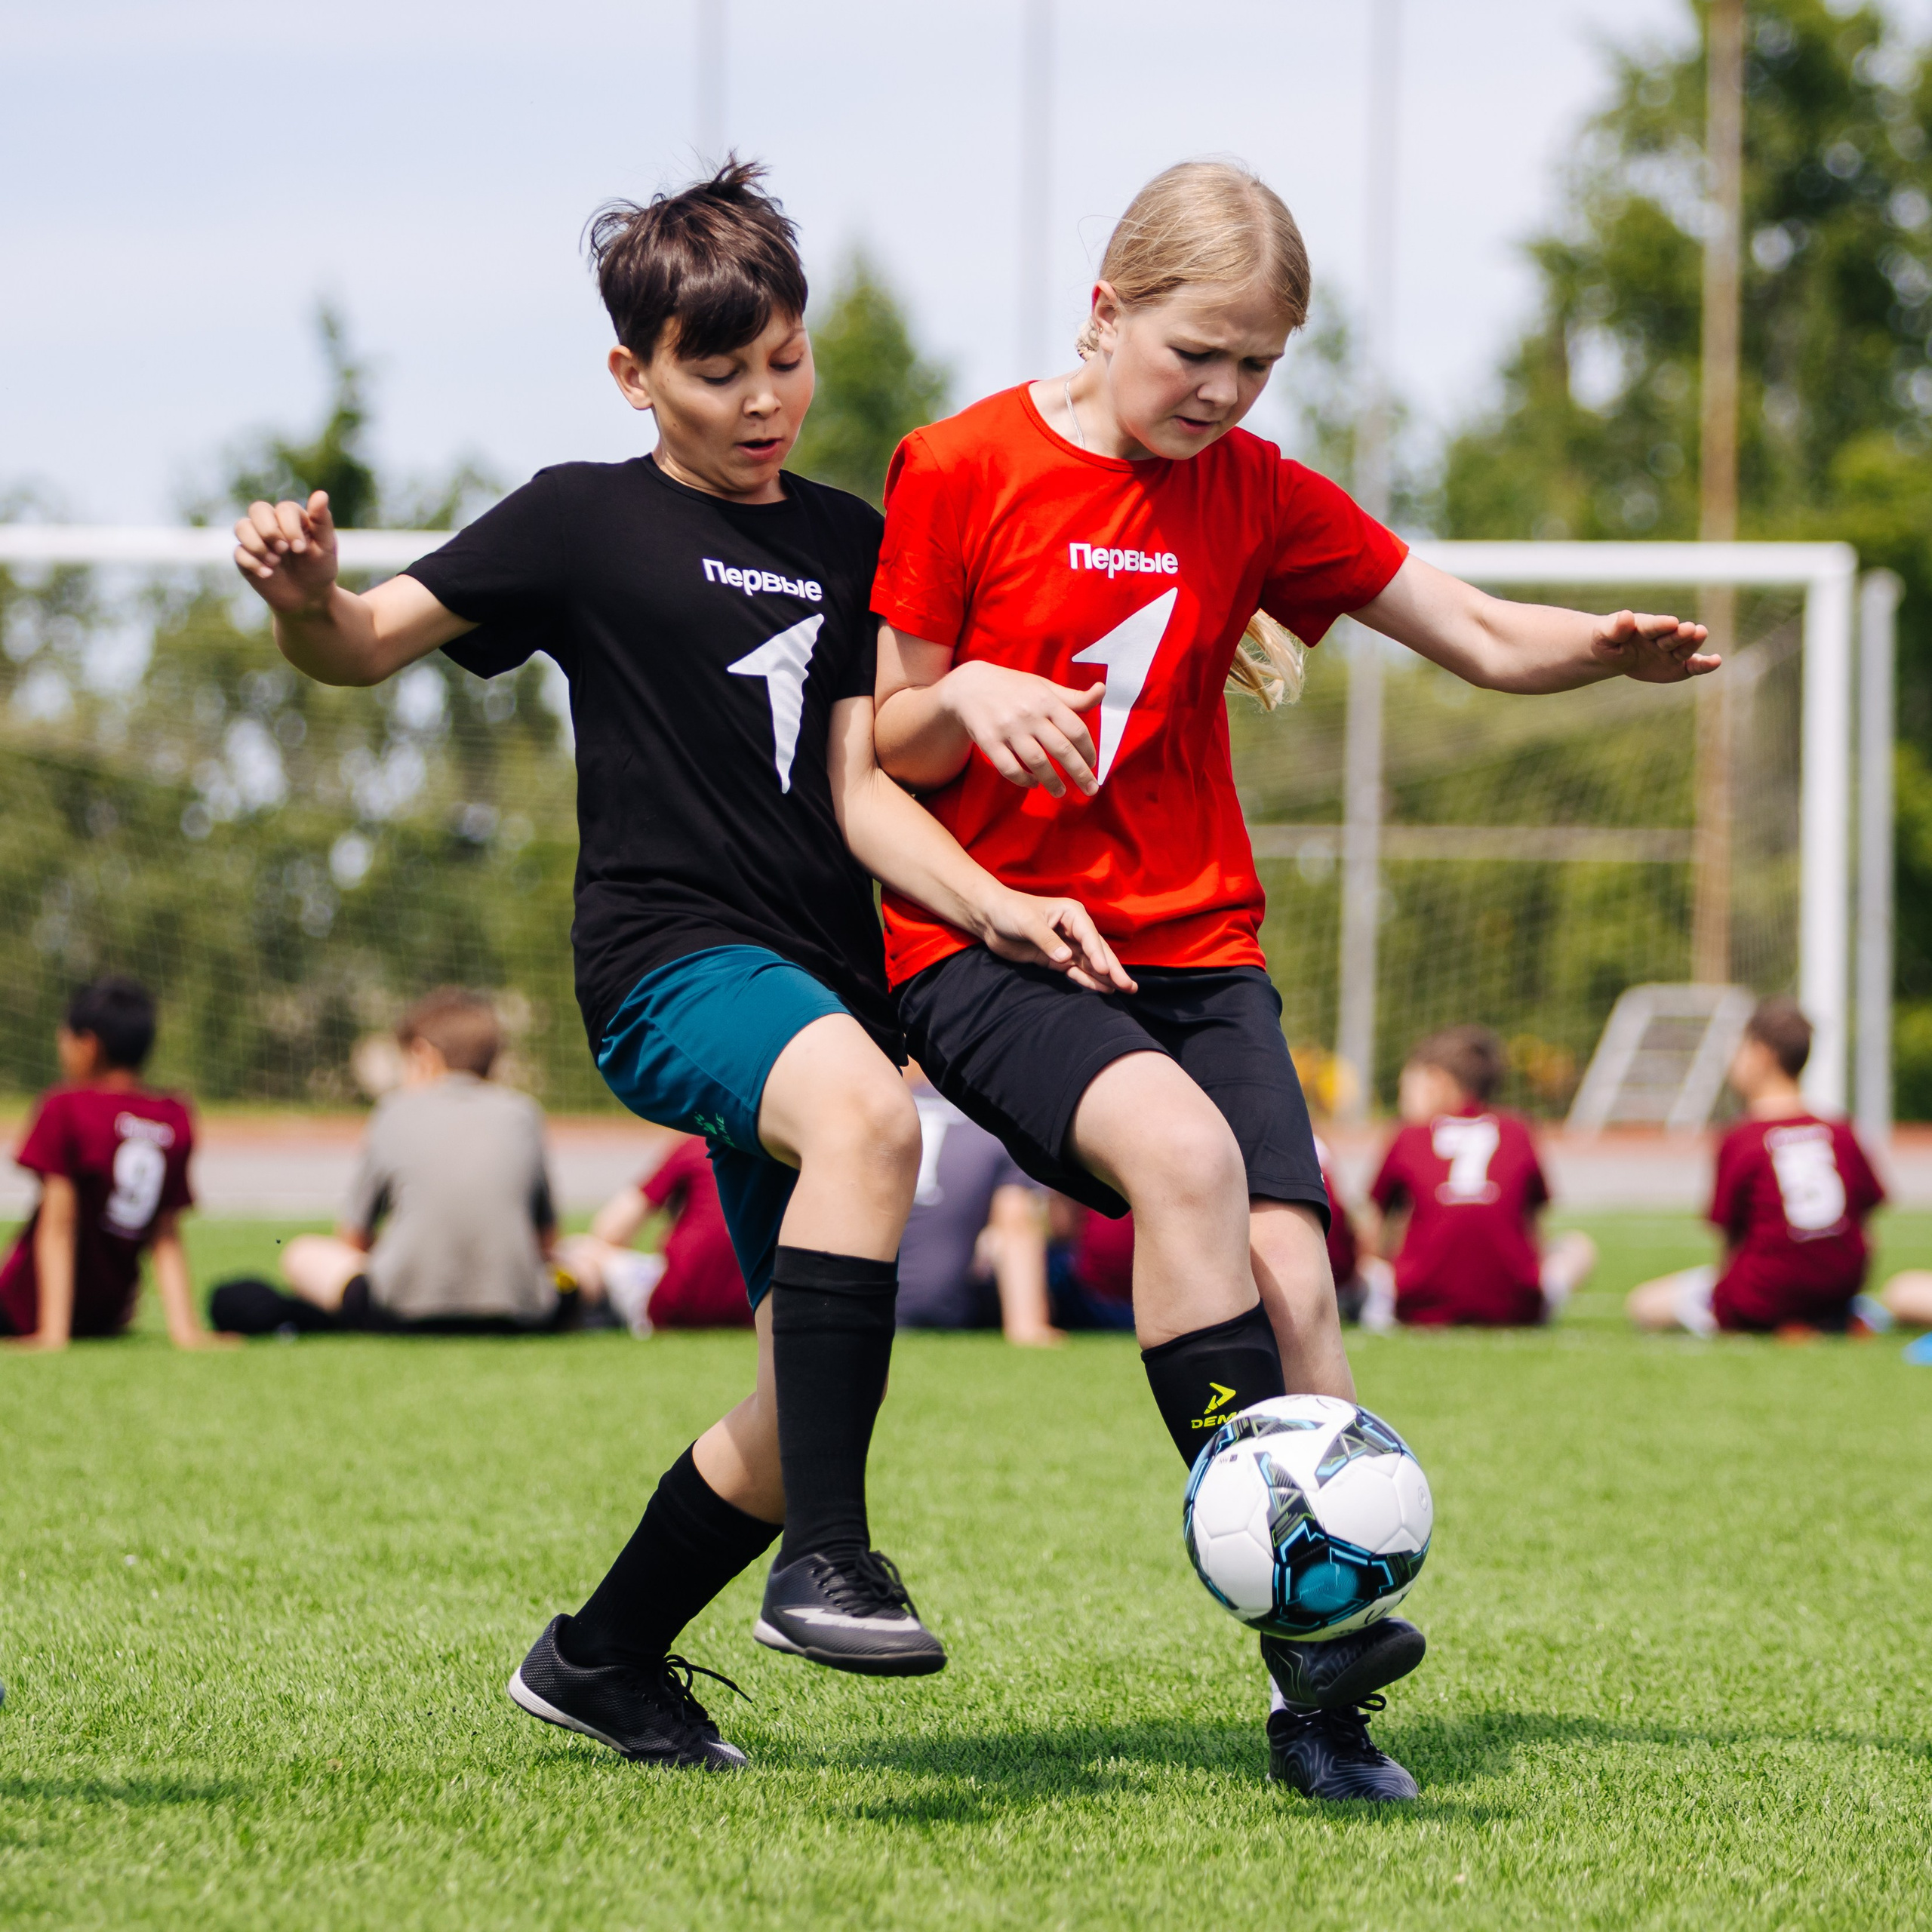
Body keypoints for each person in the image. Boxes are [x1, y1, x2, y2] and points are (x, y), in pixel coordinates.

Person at [233, 160, 1125, 1770]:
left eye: (784, 358)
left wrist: (990, 900)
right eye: (717, 373)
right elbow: (361, 644)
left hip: (821, 996)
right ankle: (829, 1567)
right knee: (872, 1127)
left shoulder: (855, 541)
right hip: (668, 965)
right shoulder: (580, 515)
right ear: (630, 371)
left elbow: (865, 788)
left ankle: (602, 1654)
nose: (762, 398)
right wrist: (306, 599)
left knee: (800, 1410)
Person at [868, 158, 1715, 1799]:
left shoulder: (1253, 489)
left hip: (1192, 944)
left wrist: (1592, 649)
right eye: (1196, 351)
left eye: (1257, 363)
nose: (1224, 391)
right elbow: (884, 744)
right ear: (1103, 309)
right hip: (984, 936)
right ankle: (1304, 1606)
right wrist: (971, 689)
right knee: (1181, 1162)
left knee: (1302, 1278)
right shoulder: (956, 462)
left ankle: (1320, 1705)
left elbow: (1465, 627)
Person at [210, 989, 571, 1336]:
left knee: (301, 1254)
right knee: (583, 1255)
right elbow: (547, 1243)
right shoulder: (524, 1113)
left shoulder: (394, 1109)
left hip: (398, 1313)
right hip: (522, 1314)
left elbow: (354, 1238)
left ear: (424, 1054)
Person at [1627, 998, 1885, 1335]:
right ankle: (1830, 1319)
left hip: (1764, 1298)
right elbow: (1867, 1229)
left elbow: (1730, 1236)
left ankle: (1786, 1322)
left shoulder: (1742, 1137)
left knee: (1645, 1304)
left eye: (1738, 1050)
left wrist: (1729, 1306)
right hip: (1839, 1293)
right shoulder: (1841, 1130)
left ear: (1761, 1055)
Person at [0, 977, 228, 1353]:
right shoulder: (173, 1117)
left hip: (23, 1308)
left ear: (88, 1045)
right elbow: (166, 1234)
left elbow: (59, 1227)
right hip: (107, 1315)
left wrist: (52, 1334)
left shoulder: (65, 1107)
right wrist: (187, 1331)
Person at [1367, 1026, 1596, 1328]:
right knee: (1580, 1247)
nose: (1403, 1094)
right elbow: (1533, 1228)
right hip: (1516, 1308)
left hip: (1418, 1306)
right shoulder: (1519, 1129)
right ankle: (1541, 1302)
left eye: (1408, 1083)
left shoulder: (1409, 1135)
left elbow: (1372, 1230)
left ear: (1438, 1081)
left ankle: (1377, 1311)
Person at [897, 1063, 1059, 1343]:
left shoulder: (867, 1112)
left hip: (849, 1304)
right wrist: (1027, 1327)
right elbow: (1016, 1226)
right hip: (936, 1313)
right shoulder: (996, 1124)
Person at [559, 1137, 754, 1335]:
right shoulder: (780, 1150)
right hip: (756, 1312)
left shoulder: (702, 1144)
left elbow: (610, 1231)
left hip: (673, 1307)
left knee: (577, 1249)